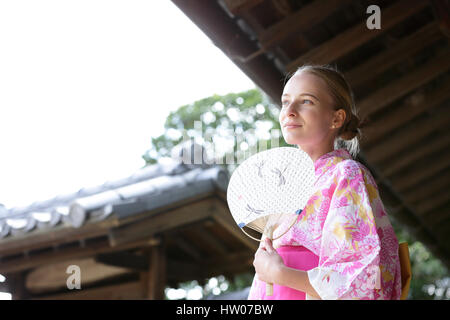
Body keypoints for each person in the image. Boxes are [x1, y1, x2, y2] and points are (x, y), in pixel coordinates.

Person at [248, 64, 402, 300]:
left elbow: (364, 277)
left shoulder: (346, 174)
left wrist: (279, 272)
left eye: (306, 101)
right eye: (285, 101)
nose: (289, 111)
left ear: (336, 118)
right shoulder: (285, 186)